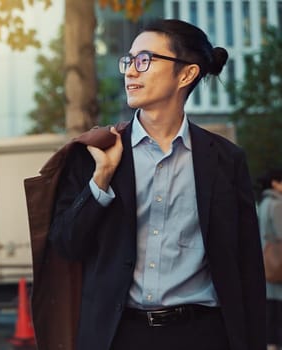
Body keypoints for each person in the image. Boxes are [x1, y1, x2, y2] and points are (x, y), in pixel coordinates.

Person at [46, 18, 265, 350]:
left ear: (186, 74)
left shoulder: (225, 160)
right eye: (129, 60)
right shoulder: (95, 151)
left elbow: (247, 267)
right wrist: (101, 180)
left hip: (204, 334)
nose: (131, 72)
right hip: (118, 335)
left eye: (144, 60)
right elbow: (66, 245)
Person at [257, 169, 282, 350]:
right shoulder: (277, 205)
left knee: (270, 304)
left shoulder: (264, 203)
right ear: (275, 183)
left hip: (267, 257)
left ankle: (271, 342)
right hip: (278, 259)